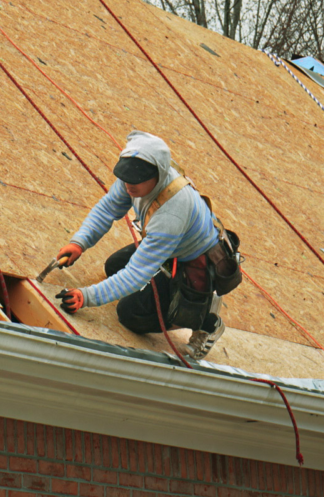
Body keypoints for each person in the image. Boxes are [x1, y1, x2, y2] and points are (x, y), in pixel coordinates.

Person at [54, 131, 228, 360]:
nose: (129, 184)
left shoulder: (173, 212)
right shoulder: (133, 179)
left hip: (193, 266)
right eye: (126, 176)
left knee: (130, 313)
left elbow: (136, 273)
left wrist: (86, 297)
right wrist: (79, 242)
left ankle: (205, 318)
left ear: (159, 174)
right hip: (170, 250)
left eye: (136, 179)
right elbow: (108, 209)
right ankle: (165, 292)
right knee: (114, 266)